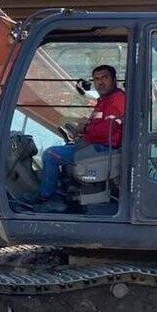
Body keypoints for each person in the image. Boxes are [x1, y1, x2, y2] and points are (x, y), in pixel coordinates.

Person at [35, 65, 125, 211]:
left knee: (50, 155)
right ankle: (63, 192)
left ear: (114, 80)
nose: (100, 82)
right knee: (64, 149)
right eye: (96, 79)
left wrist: (84, 128)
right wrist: (86, 124)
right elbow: (101, 122)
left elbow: (107, 130)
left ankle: (48, 198)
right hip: (95, 144)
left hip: (103, 149)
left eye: (105, 78)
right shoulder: (104, 101)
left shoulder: (117, 100)